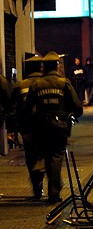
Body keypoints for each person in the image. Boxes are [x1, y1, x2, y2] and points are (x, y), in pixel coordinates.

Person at [23, 51, 83, 203]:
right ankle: (53, 193)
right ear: (57, 66)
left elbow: (27, 109)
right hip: (60, 125)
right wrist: (69, 114)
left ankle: (39, 169)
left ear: (44, 67)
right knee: (56, 157)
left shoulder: (37, 84)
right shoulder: (64, 83)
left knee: (42, 154)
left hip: (41, 127)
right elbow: (78, 107)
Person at [9, 56, 44, 198]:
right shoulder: (45, 83)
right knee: (47, 155)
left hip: (27, 128)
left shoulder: (20, 86)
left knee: (31, 157)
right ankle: (50, 186)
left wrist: (12, 129)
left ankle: (37, 188)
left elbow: (13, 109)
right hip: (45, 127)